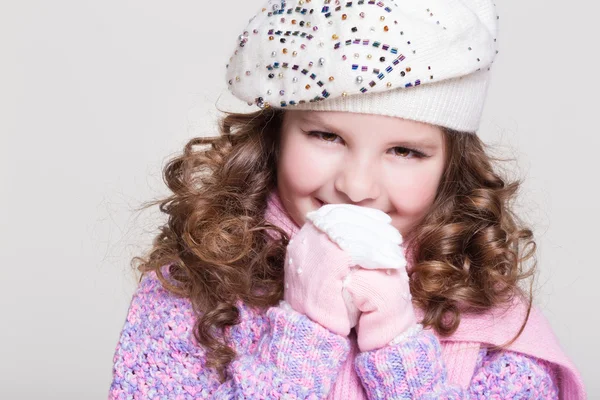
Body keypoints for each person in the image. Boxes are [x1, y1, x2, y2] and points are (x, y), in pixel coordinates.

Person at [109, 0, 586, 398]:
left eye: (404, 151)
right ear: (276, 136)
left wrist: (398, 355)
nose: (357, 187)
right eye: (326, 136)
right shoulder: (189, 291)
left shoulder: (497, 326)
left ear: (450, 167)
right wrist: (303, 338)